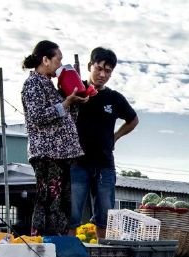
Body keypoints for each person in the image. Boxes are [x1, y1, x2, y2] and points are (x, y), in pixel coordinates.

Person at [70, 47, 139, 240]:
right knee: (72, 214)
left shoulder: (114, 98)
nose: (102, 74)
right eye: (98, 68)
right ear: (89, 66)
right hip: (77, 163)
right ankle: (66, 256)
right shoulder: (77, 92)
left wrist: (116, 136)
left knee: (105, 216)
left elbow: (133, 120)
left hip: (104, 164)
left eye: (107, 71)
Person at [21, 40, 88, 236]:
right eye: (58, 59)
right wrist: (66, 102)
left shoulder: (50, 86)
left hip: (61, 154)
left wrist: (75, 100)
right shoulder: (33, 84)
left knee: (61, 204)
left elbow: (67, 118)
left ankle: (57, 243)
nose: (60, 64)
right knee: (48, 200)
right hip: (46, 154)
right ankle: (43, 245)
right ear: (45, 59)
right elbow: (37, 116)